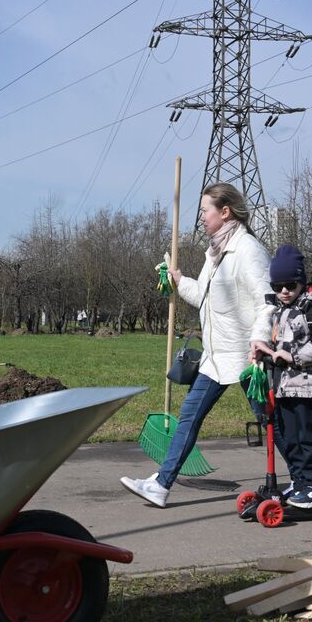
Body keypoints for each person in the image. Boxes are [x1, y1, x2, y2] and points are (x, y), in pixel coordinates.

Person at [121, 182, 271, 508]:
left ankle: (308, 480)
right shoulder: (216, 252)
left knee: (272, 423)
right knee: (189, 415)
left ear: (225, 211)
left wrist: (259, 339)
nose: (201, 217)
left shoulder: (247, 250)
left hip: (246, 356)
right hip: (216, 360)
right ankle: (161, 484)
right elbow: (204, 298)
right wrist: (177, 279)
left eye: (205, 210)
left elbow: (267, 303)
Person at [255, 244, 312, 508]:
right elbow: (279, 344)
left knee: (308, 437)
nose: (284, 291)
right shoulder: (279, 311)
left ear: (301, 282)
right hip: (284, 387)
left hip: (309, 386)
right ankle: (299, 481)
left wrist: (294, 356)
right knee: (289, 437)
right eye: (278, 286)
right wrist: (264, 351)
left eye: (290, 285)